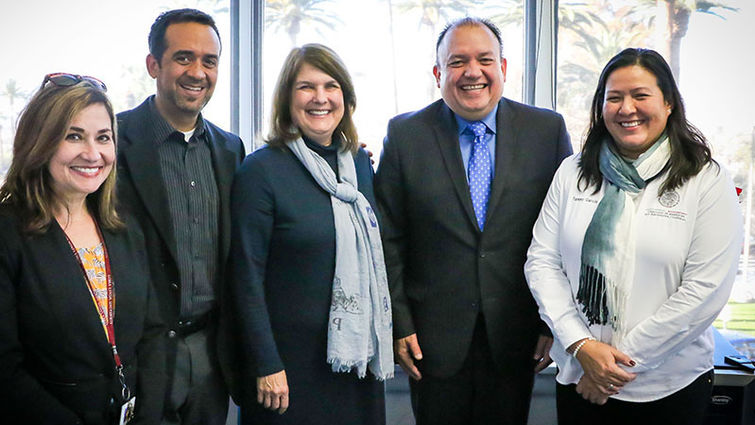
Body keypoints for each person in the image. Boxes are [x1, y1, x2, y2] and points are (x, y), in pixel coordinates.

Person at [524, 48, 742, 425]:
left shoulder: (705, 179)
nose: (627, 108)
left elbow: (705, 291)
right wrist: (582, 346)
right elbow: (542, 262)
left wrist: (610, 370)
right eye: (614, 97)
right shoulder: (573, 172)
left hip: (669, 387)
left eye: (641, 96)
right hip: (579, 375)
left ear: (669, 102)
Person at [374, 17, 572, 425]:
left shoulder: (546, 131)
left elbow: (564, 235)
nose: (472, 72)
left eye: (485, 59)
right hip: (431, 339)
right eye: (457, 61)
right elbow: (388, 240)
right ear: (438, 73)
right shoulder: (405, 134)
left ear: (503, 68)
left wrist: (551, 321)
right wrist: (400, 323)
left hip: (517, 333)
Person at [229, 43, 393, 425]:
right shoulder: (261, 171)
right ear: (287, 98)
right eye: (306, 87)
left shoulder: (358, 167)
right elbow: (245, 278)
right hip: (286, 370)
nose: (320, 98)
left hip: (356, 363)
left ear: (345, 98)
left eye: (330, 86)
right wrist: (265, 362)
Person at [0, 73, 166, 425]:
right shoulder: (8, 231)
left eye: (103, 138)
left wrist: (149, 414)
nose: (93, 154)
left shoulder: (123, 224)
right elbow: (5, 369)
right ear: (40, 142)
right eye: (74, 136)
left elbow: (152, 333)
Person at [116, 8, 245, 425]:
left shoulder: (231, 150)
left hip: (212, 353)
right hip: (140, 355)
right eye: (184, 57)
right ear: (154, 65)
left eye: (210, 61)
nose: (198, 72)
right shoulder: (112, 144)